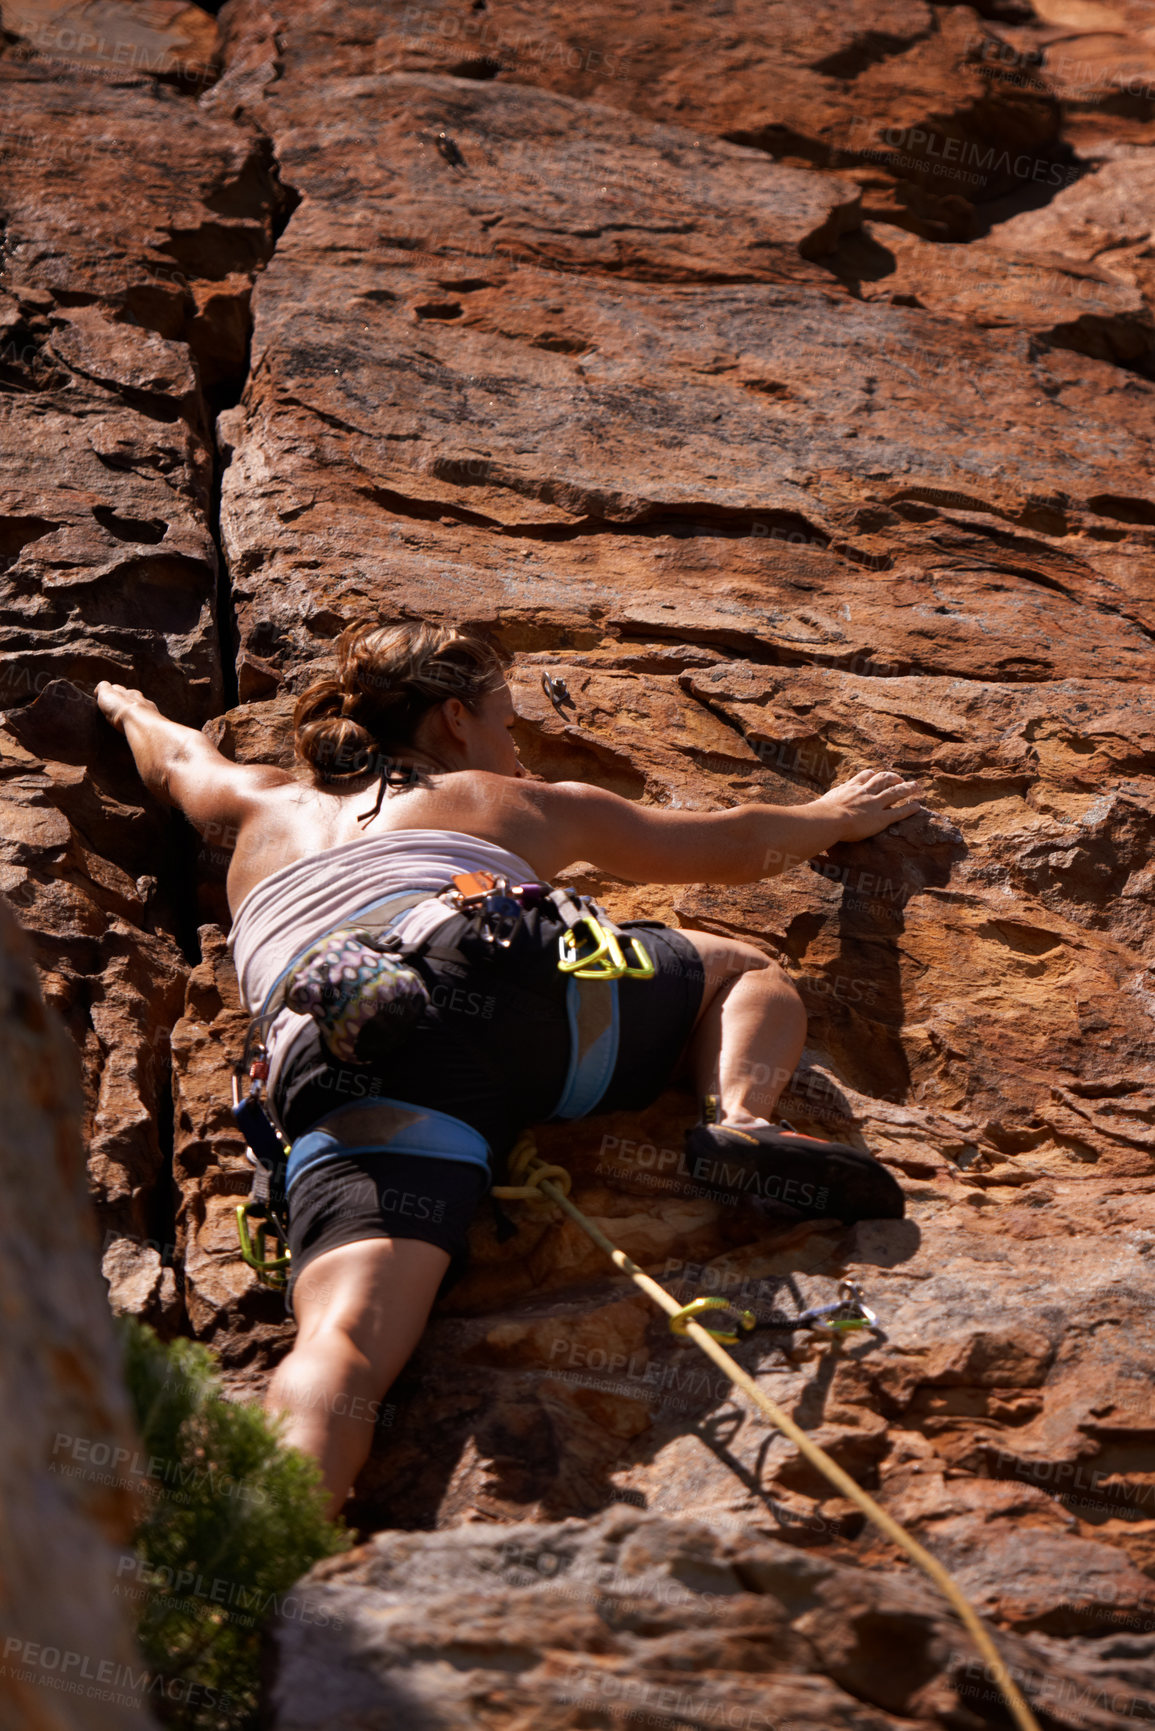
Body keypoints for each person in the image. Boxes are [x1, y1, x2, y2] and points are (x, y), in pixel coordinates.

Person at [95, 619, 923, 1516]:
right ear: (454, 718)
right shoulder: (497, 796)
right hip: (496, 985)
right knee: (741, 970)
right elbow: (722, 844)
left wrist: (124, 703)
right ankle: (740, 1120)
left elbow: (177, 761)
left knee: (347, 1338)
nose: (515, 748)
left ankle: (280, 1534)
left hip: (337, 1052)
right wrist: (833, 817)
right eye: (505, 721)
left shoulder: (259, 804)